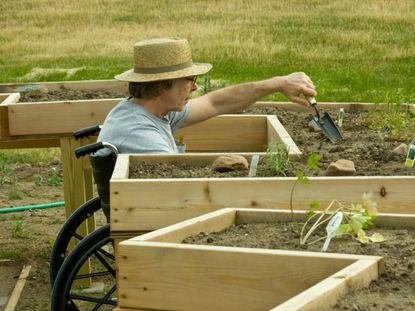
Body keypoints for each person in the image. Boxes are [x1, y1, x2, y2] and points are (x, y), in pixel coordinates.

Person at [95, 37, 317, 155]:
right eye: (189, 79)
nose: (195, 87)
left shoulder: (152, 111)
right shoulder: (140, 134)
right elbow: (175, 184)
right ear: (163, 84)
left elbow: (216, 102)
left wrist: (277, 83)